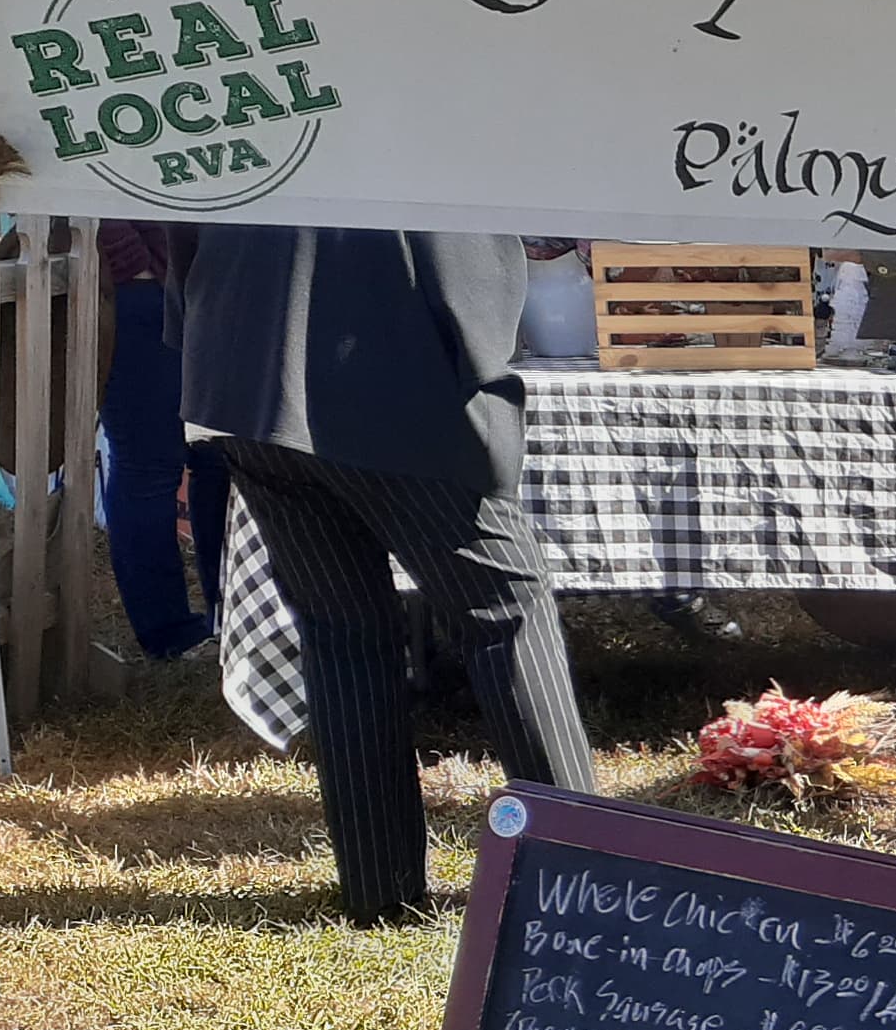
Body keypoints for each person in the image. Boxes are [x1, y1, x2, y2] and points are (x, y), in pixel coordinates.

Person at [173, 227, 595, 924]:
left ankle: (379, 890)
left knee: (343, 632)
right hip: (396, 370)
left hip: (243, 360)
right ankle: (589, 881)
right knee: (506, 611)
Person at [93, 219, 231, 657]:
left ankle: (230, 616)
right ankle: (168, 632)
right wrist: (130, 261)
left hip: (214, 279)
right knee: (148, 463)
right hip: (142, 292)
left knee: (221, 456)